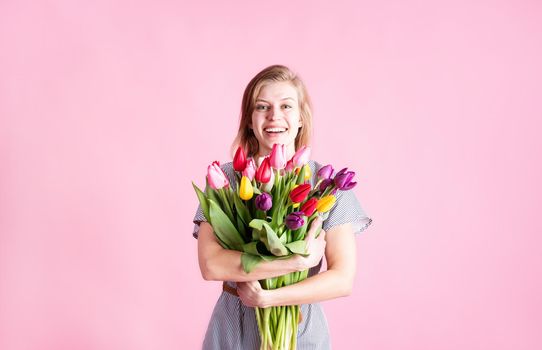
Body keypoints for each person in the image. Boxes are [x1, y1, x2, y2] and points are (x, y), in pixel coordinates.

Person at [192, 64, 372, 349]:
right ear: (249, 121)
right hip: (233, 327)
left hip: (300, 328)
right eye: (262, 107)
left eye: (286, 106)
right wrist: (296, 262)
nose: (274, 116)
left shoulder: (326, 184)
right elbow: (211, 265)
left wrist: (268, 298)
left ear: (301, 118)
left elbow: (342, 279)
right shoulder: (226, 179)